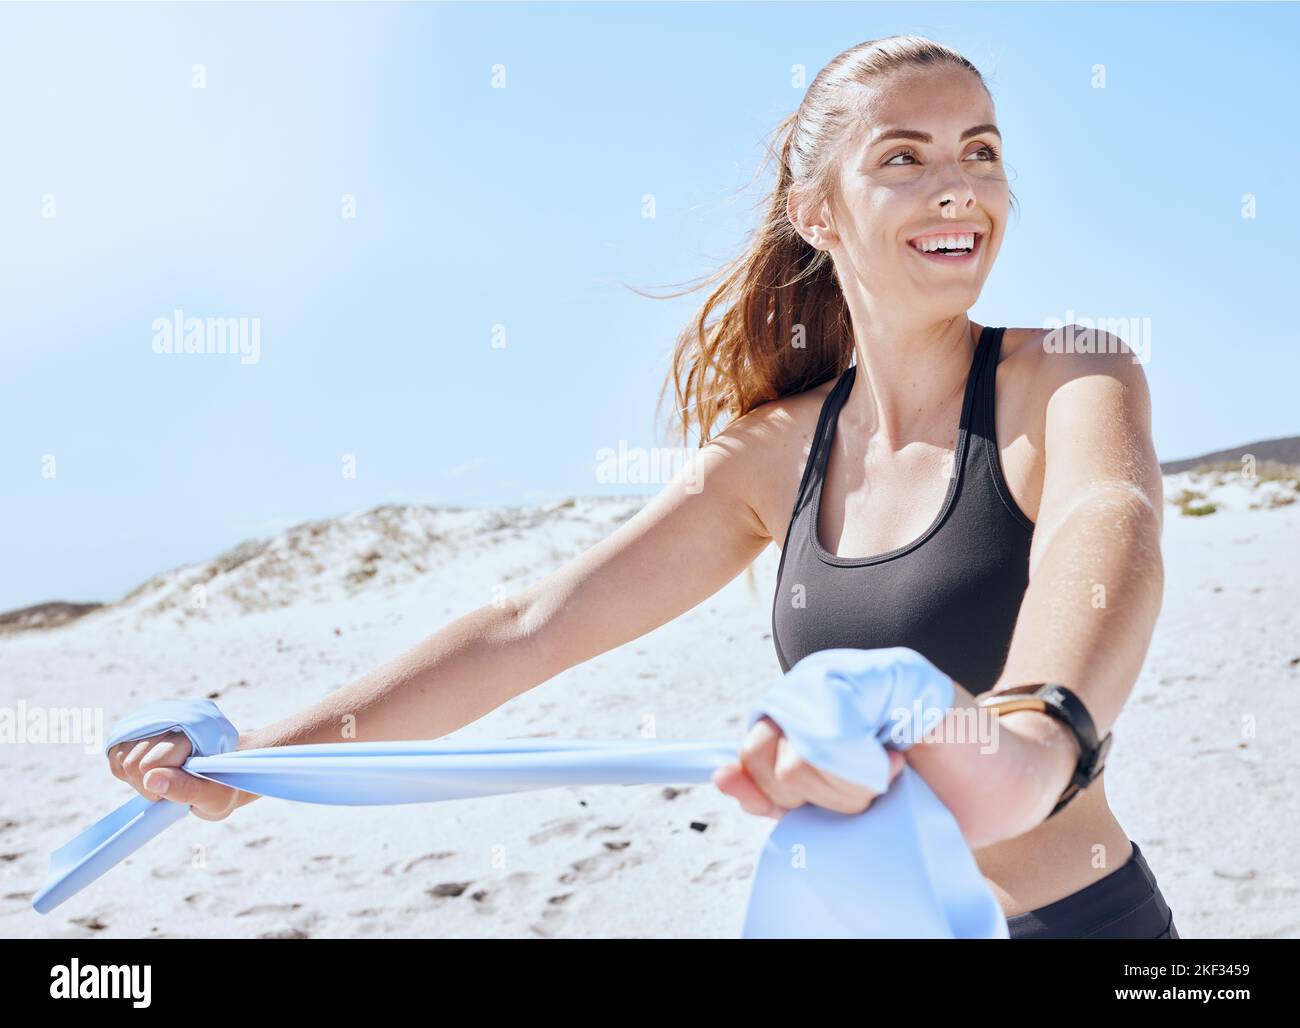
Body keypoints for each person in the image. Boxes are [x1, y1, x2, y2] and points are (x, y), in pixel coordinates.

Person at [107, 34, 1177, 940]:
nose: (960, 185)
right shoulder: (771, 454)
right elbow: (528, 625)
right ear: (816, 214)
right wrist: (258, 762)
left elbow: (1106, 519)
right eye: (904, 156)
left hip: (1079, 919)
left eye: (980, 151)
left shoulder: (1067, 371)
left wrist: (1038, 736)